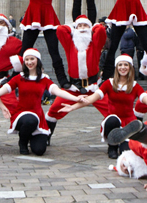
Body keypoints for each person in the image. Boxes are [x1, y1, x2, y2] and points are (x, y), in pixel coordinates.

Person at [0, 48, 86, 156]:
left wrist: (76, 98)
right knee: (29, 120)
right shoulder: (19, 78)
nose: (29, 62)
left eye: (32, 59)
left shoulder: (44, 79)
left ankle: (31, 136)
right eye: (27, 59)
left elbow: (58, 91)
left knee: (39, 150)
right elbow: (0, 91)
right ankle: (22, 141)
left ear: (37, 60)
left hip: (38, 117)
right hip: (22, 115)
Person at [60, 55, 147, 159]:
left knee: (126, 153)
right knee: (112, 120)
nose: (123, 67)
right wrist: (72, 107)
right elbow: (91, 99)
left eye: (126, 64)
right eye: (120, 65)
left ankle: (123, 143)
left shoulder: (135, 86)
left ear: (130, 67)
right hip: (113, 121)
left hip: (129, 124)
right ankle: (112, 146)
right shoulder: (108, 83)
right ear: (116, 68)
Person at [45, 15, 109, 143]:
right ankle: (45, 136)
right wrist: (72, 27)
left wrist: (93, 26)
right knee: (53, 110)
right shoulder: (70, 43)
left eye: (85, 26)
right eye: (79, 26)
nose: (82, 29)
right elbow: (60, 30)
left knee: (112, 111)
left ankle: (111, 141)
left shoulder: (95, 44)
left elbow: (101, 30)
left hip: (93, 88)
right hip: (73, 88)